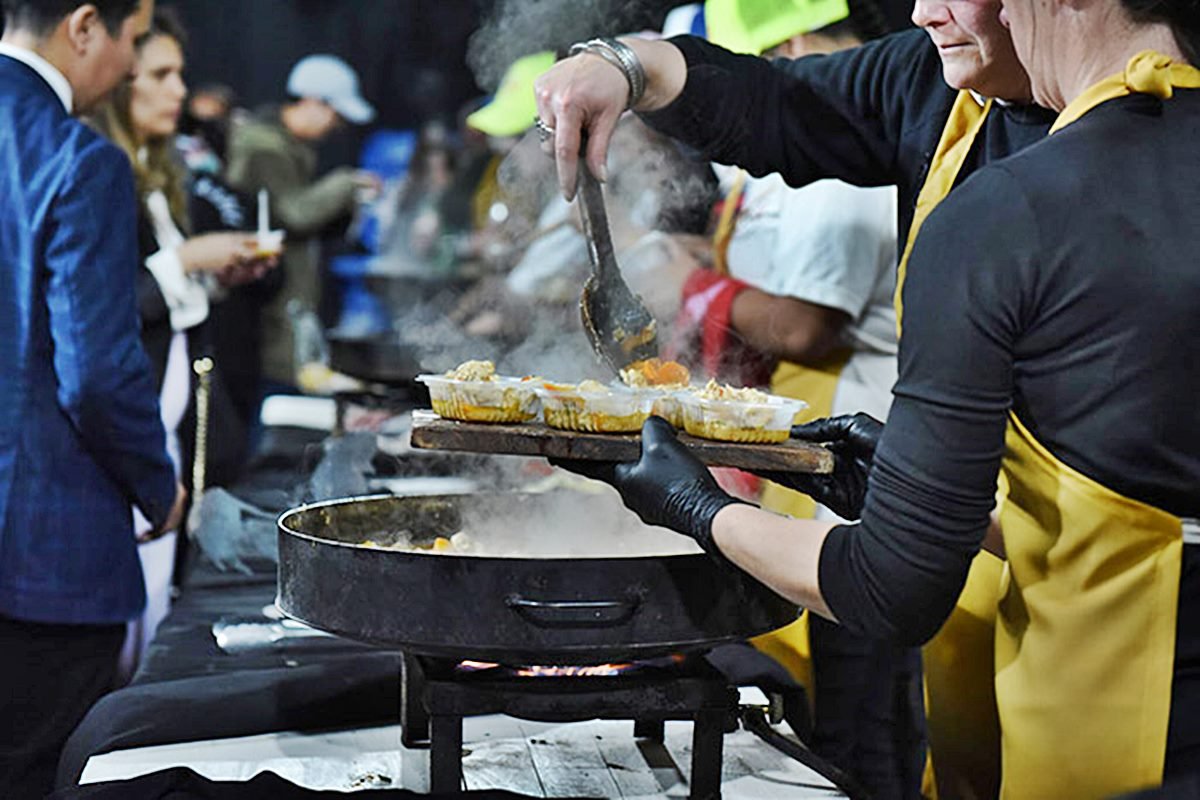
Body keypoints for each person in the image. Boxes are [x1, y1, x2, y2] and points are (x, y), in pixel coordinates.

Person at [544, 0, 1200, 798]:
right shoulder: (977, 103)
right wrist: (625, 64)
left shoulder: (1008, 213)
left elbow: (891, 588)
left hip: (1123, 702)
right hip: (1051, 607)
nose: (920, 11)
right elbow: (1144, 480)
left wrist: (693, 507)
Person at [679, 1, 913, 795]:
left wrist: (689, 285)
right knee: (835, 701)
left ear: (790, 46)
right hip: (812, 449)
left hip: (851, 451)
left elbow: (808, 326)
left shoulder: (838, 161)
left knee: (852, 709)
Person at [0, 0, 187, 796]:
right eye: (134, 39)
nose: (131, 65)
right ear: (83, 26)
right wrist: (158, 486)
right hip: (41, 557)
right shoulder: (80, 159)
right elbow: (97, 375)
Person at [91, 6, 275, 679]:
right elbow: (107, 310)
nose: (178, 91)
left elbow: (161, 311)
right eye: (160, 74)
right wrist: (190, 259)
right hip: (122, 447)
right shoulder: (99, 173)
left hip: (167, 435)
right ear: (119, 81)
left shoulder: (158, 175)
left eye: (179, 74)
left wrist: (214, 278)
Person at [224, 53, 379, 394]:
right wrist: (346, 184)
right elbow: (294, 215)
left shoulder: (285, 147)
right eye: (335, 115)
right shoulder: (263, 148)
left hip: (282, 305)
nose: (336, 127)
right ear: (311, 101)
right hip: (261, 312)